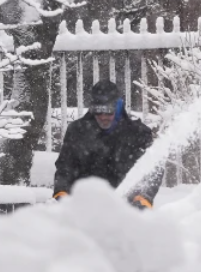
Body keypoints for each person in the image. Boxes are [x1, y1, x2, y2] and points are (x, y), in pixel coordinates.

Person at [52, 79, 158, 209]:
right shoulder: (77, 131)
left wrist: (143, 197)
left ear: (118, 106)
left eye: (108, 110)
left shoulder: (138, 134)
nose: (103, 116)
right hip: (83, 208)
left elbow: (151, 170)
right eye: (98, 110)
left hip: (126, 209)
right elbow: (65, 166)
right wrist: (62, 192)